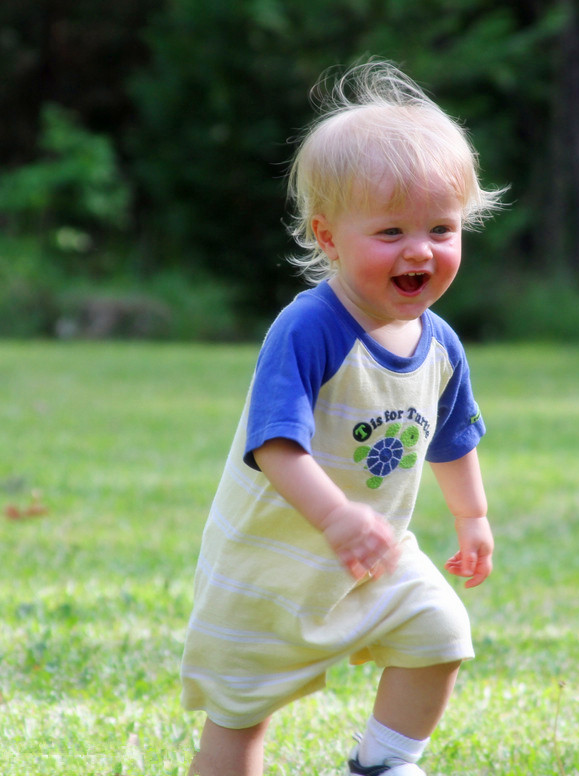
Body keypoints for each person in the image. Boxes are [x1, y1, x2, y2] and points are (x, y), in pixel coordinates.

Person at [181, 60, 505, 776]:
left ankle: (382, 764)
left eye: (442, 228)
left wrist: (472, 519)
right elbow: (274, 444)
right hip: (271, 569)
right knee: (239, 720)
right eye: (390, 231)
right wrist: (334, 518)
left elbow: (452, 436)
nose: (420, 249)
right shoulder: (309, 329)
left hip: (374, 557)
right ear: (328, 239)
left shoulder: (440, 344)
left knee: (441, 632)